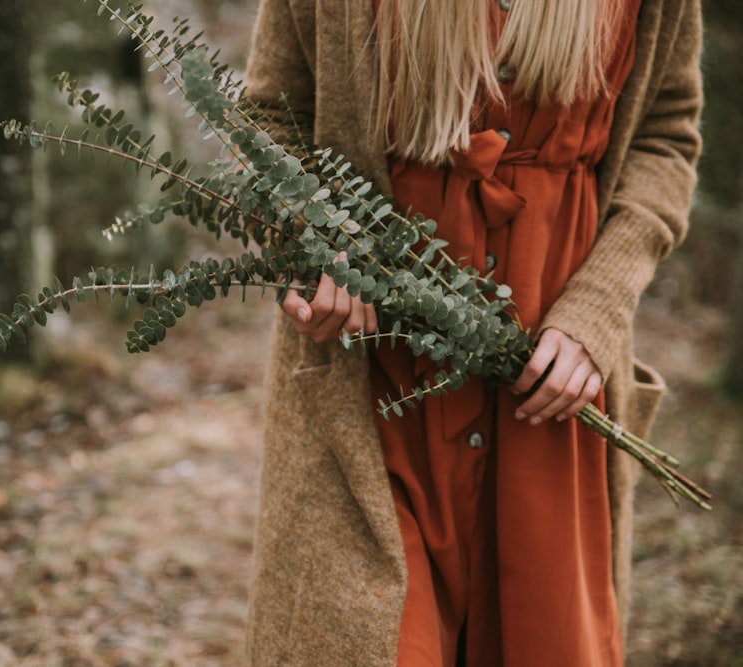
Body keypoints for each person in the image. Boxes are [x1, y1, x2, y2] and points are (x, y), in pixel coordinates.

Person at [241, 1, 702, 665]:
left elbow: (665, 137)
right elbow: (267, 117)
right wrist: (311, 237)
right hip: (373, 383)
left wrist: (598, 308)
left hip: (548, 393)